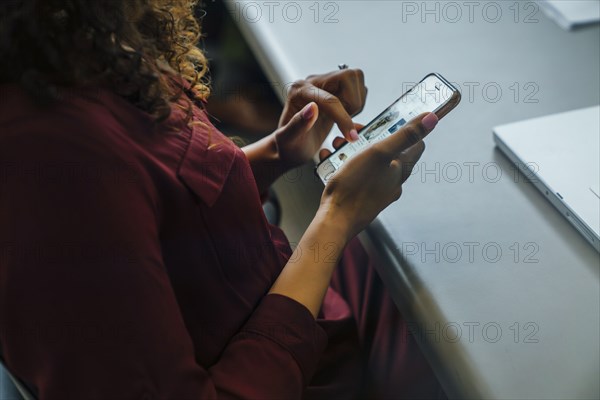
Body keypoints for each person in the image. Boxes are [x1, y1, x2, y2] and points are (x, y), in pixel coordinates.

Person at [0, 1, 445, 399]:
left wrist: (279, 150)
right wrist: (334, 219)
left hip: (284, 302)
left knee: (412, 256)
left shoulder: (64, 39)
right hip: (302, 375)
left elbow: (159, 199)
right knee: (460, 348)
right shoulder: (49, 162)